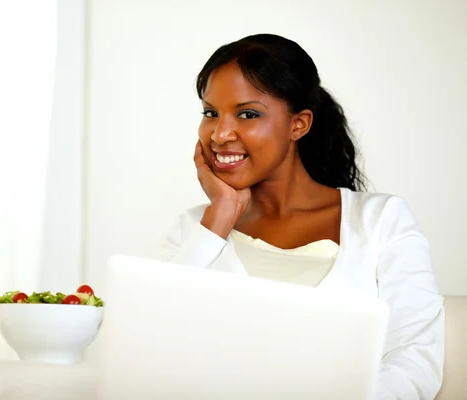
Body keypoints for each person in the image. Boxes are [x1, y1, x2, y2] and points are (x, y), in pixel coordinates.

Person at [160, 34, 444, 399]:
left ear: (299, 124)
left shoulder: (381, 221)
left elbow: (415, 355)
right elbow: (155, 342)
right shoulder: (194, 230)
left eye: (247, 114)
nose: (220, 134)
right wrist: (219, 218)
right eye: (210, 113)